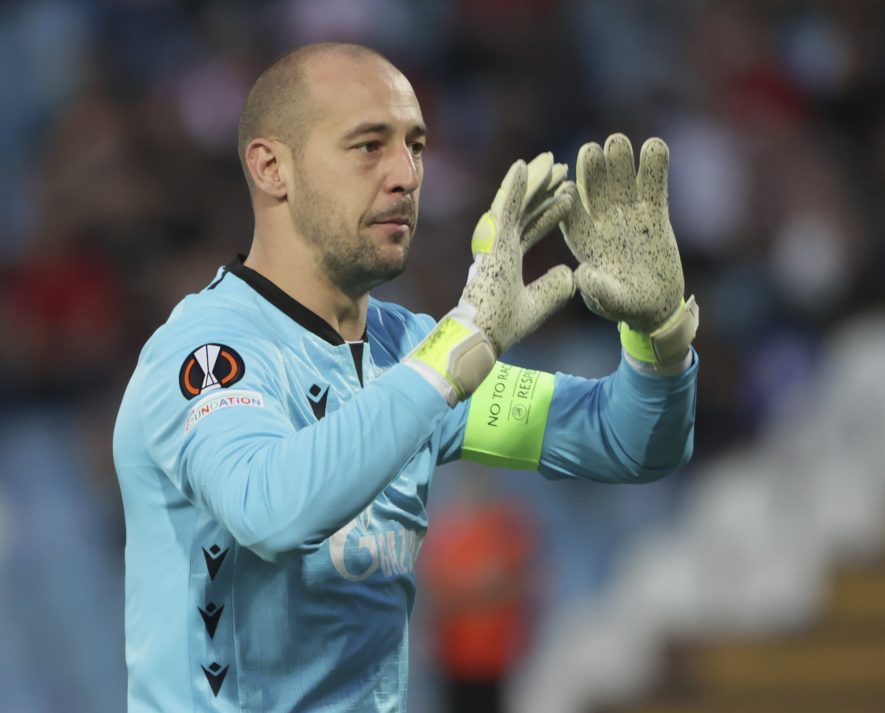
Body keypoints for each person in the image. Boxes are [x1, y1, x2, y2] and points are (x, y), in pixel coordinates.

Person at [113, 42, 699, 713]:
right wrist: (459, 349)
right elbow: (269, 510)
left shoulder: (407, 351)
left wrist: (658, 340)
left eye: (415, 146)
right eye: (368, 146)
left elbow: (626, 443)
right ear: (272, 168)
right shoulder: (207, 352)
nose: (406, 175)